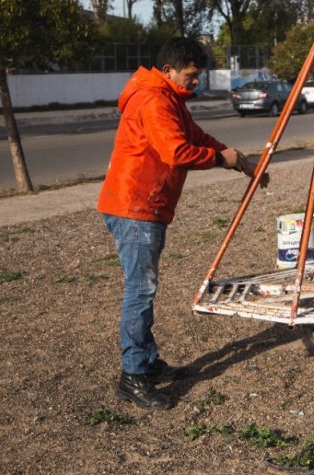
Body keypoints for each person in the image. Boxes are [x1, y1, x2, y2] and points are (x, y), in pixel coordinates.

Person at [97, 37, 267, 410]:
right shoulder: (154, 100)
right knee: (140, 291)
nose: (196, 83)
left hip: (143, 204)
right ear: (169, 69)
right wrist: (223, 160)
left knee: (144, 287)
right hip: (135, 205)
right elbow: (176, 151)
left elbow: (196, 137)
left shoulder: (167, 98)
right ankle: (133, 377)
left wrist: (238, 161)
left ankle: (146, 362)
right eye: (191, 76)